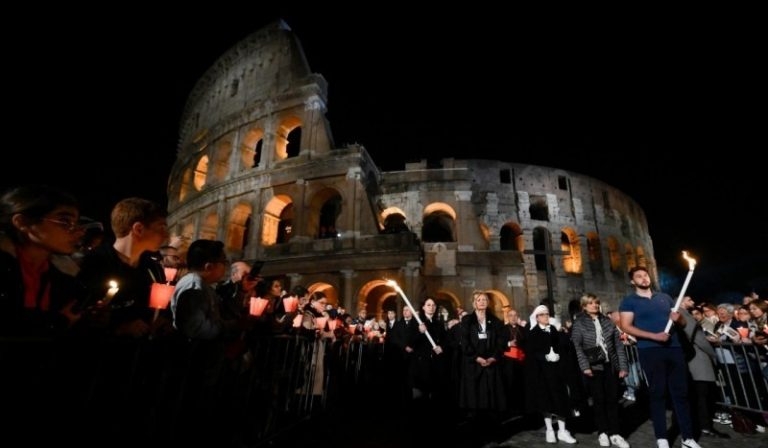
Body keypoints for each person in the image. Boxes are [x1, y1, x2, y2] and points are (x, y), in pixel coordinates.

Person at [0, 184, 87, 440]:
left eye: (76, 223)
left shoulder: (66, 278)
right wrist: (56, 322)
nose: (76, 231)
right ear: (22, 222)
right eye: (64, 221)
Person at [619, 266, 702, 448]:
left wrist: (679, 319)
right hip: (650, 350)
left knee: (681, 393)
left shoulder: (664, 298)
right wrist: (653, 336)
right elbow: (626, 326)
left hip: (674, 349)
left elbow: (682, 323)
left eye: (645, 275)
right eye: (639, 276)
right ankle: (662, 437)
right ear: (632, 281)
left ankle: (688, 438)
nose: (644, 278)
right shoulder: (629, 301)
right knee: (658, 393)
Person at [571, 293, 630, 448]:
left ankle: (615, 433)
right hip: (593, 367)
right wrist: (585, 366)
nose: (595, 305)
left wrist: (623, 366)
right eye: (591, 303)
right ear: (584, 306)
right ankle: (602, 432)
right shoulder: (579, 323)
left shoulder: (607, 321)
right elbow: (577, 346)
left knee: (612, 400)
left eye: (596, 302)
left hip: (610, 366)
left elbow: (618, 345)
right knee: (598, 400)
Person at [524, 304, 578, 444]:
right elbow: (531, 353)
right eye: (542, 315)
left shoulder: (553, 329)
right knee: (546, 401)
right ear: (537, 317)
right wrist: (545, 357)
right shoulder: (533, 333)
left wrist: (559, 354)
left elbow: (562, 346)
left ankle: (562, 430)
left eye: (547, 314)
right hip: (542, 373)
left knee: (561, 401)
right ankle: (549, 430)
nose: (546, 317)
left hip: (557, 371)